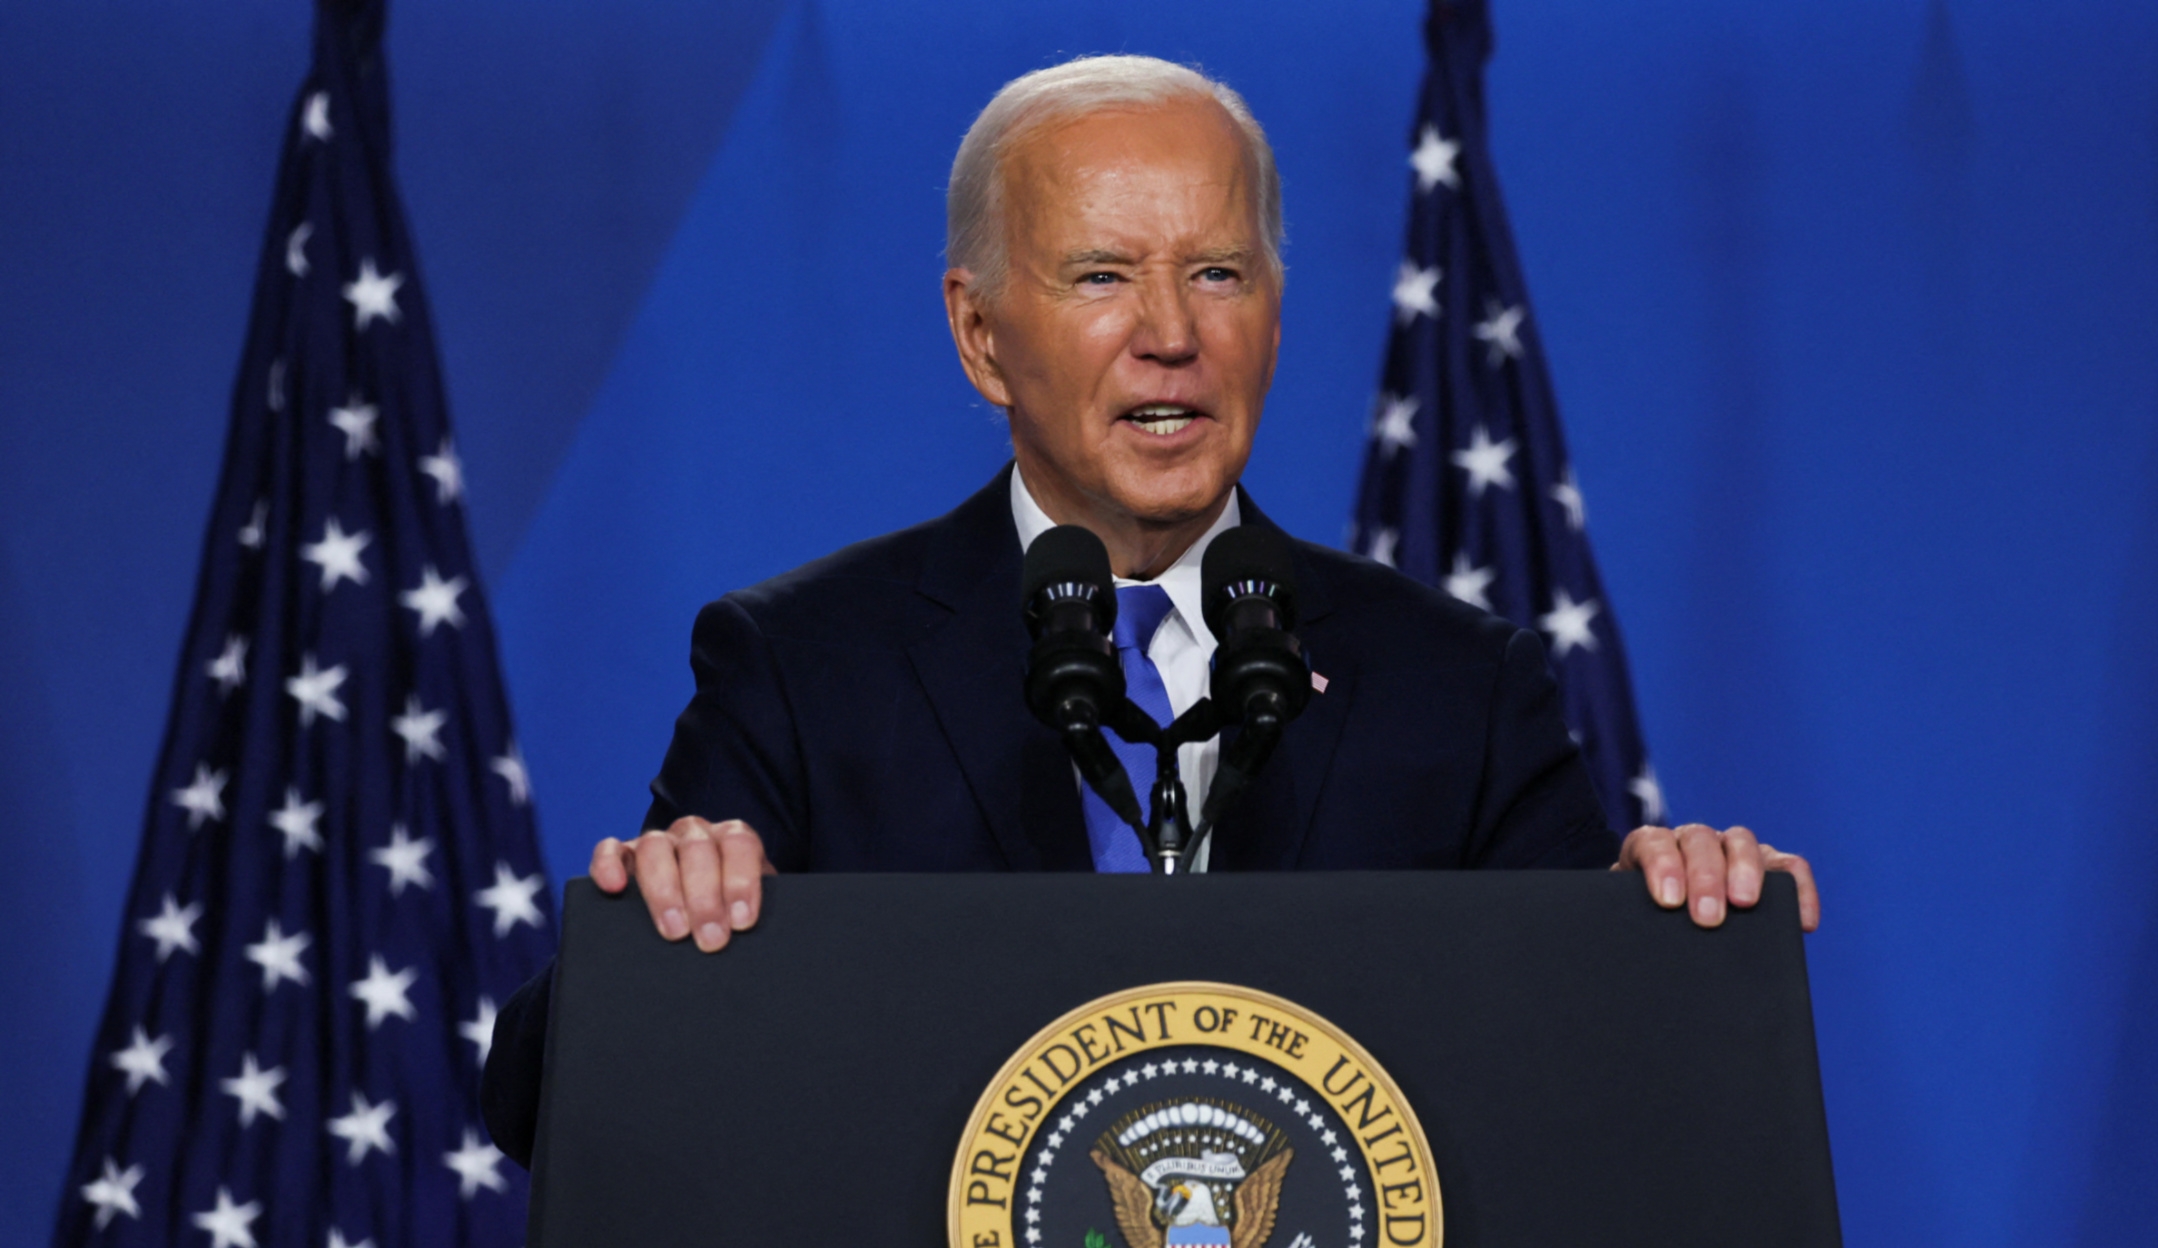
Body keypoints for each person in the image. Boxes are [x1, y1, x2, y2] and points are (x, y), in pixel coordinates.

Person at [483, 55, 1818, 1161]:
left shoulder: (1455, 688)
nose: (1172, 332)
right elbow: (548, 1104)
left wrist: (1674, 928)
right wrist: (659, 938)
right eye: (1102, 274)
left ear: (1278, 317)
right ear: (981, 333)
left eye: (1220, 272)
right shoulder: (804, 666)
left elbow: (1614, 1088)